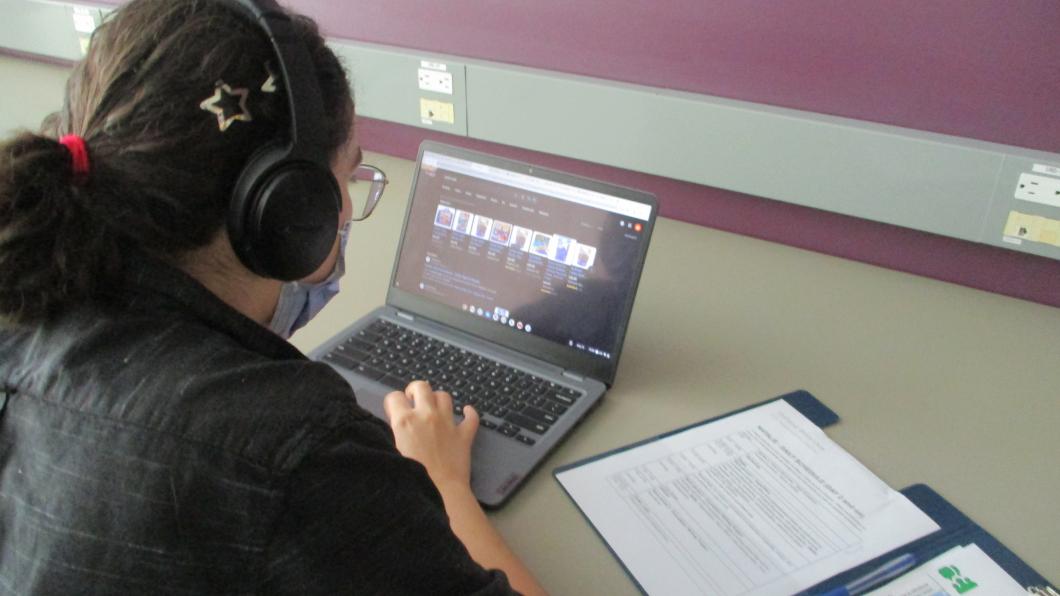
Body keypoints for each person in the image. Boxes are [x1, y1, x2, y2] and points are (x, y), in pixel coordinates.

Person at [0, 0, 546, 594]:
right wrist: (444, 483)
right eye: (349, 177)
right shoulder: (301, 458)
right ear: (293, 210)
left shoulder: (27, 312)